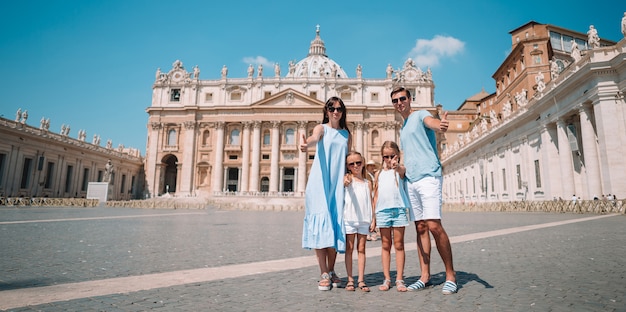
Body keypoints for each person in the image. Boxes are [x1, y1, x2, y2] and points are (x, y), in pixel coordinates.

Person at [390, 86, 457, 295]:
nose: (399, 102)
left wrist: (441, 125)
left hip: (429, 176)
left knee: (434, 225)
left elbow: (433, 123)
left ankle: (451, 276)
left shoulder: (421, 115)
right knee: (420, 227)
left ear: (410, 99)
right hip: (411, 180)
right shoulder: (403, 127)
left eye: (402, 98)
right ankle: (425, 276)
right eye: (395, 100)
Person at [300, 96, 352, 291]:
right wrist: (307, 144)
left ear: (342, 111)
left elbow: (348, 158)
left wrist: (349, 174)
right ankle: (323, 271)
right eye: (331, 108)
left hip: (338, 184)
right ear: (326, 111)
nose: (335, 111)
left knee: (335, 225)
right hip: (320, 184)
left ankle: (331, 270)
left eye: (339, 108)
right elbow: (314, 138)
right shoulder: (321, 128)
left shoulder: (347, 134)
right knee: (321, 226)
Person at [372, 141, 410, 292]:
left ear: (398, 155)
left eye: (392, 156)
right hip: (382, 211)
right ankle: (387, 278)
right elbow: (376, 195)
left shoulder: (400, 170)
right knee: (385, 245)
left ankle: (399, 279)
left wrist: (397, 165)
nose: (389, 159)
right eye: (385, 157)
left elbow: (402, 171)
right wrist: (373, 217)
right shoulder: (378, 174)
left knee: (399, 245)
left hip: (399, 209)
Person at [342, 151, 373, 292]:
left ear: (363, 163)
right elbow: (343, 184)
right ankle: (350, 279)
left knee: (362, 250)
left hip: (364, 220)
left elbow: (372, 202)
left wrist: (373, 220)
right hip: (349, 219)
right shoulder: (347, 179)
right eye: (352, 164)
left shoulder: (368, 183)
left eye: (358, 162)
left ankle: (361, 279)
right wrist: (345, 180)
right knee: (349, 250)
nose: (355, 166)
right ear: (348, 166)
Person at [365, 160, 380, 241]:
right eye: (370, 166)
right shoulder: (367, 175)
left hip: (374, 194)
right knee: (369, 213)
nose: (372, 167)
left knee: (374, 212)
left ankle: (373, 230)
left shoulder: (373, 175)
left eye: (373, 166)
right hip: (370, 194)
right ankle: (368, 232)